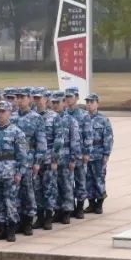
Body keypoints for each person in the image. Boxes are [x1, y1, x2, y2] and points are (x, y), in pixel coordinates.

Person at [0, 101, 29, 242]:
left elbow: (22, 155)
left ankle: (11, 229)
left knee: (11, 202)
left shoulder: (16, 132)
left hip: (10, 172)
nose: (1, 114)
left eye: (4, 111)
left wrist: (20, 172)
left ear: (10, 113)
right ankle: (1, 228)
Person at [12, 88, 46, 236]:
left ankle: (28, 222)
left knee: (29, 192)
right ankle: (17, 221)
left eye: (23, 97)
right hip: (14, 162)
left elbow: (41, 142)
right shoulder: (11, 117)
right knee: (15, 193)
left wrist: (38, 162)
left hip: (29, 159)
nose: (20, 100)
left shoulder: (36, 118)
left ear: (29, 99)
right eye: (18, 97)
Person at [51, 92, 80, 225]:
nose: (56, 105)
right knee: (55, 185)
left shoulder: (70, 120)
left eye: (58, 102)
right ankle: (57, 210)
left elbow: (75, 141)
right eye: (54, 103)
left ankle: (67, 211)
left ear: (64, 103)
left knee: (67, 185)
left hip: (66, 157)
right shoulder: (50, 119)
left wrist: (73, 159)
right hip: (53, 158)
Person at [32, 89, 58, 230]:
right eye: (35, 98)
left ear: (46, 99)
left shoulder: (53, 117)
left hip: (48, 159)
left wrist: (54, 160)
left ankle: (48, 216)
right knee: (36, 189)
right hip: (35, 159)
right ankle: (40, 216)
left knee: (49, 188)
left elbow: (58, 139)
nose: (37, 100)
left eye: (39, 98)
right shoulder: (32, 116)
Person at [65, 87, 93, 218]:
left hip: (80, 154)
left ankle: (80, 207)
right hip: (66, 154)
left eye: (71, 97)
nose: (68, 99)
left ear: (76, 98)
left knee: (80, 181)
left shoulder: (83, 115)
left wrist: (87, 153)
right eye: (66, 97)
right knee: (68, 182)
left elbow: (88, 135)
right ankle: (72, 207)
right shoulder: (63, 114)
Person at [84, 93, 114, 214]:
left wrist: (106, 155)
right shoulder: (83, 119)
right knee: (88, 180)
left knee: (99, 180)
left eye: (92, 102)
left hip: (98, 155)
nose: (89, 104)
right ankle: (91, 204)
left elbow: (108, 138)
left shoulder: (103, 120)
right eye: (87, 102)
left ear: (97, 104)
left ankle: (99, 204)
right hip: (86, 156)